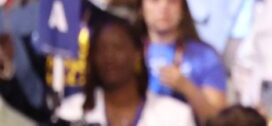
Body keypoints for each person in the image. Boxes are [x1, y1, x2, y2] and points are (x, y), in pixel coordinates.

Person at [55, 18, 195, 125]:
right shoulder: (71, 112)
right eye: (101, 49)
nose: (109, 56)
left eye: (118, 47)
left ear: (137, 54)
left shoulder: (176, 116)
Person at [135, 0, 227, 124]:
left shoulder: (206, 56)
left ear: (183, 8)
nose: (163, 6)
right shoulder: (127, 51)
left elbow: (219, 121)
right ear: (141, 7)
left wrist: (187, 88)